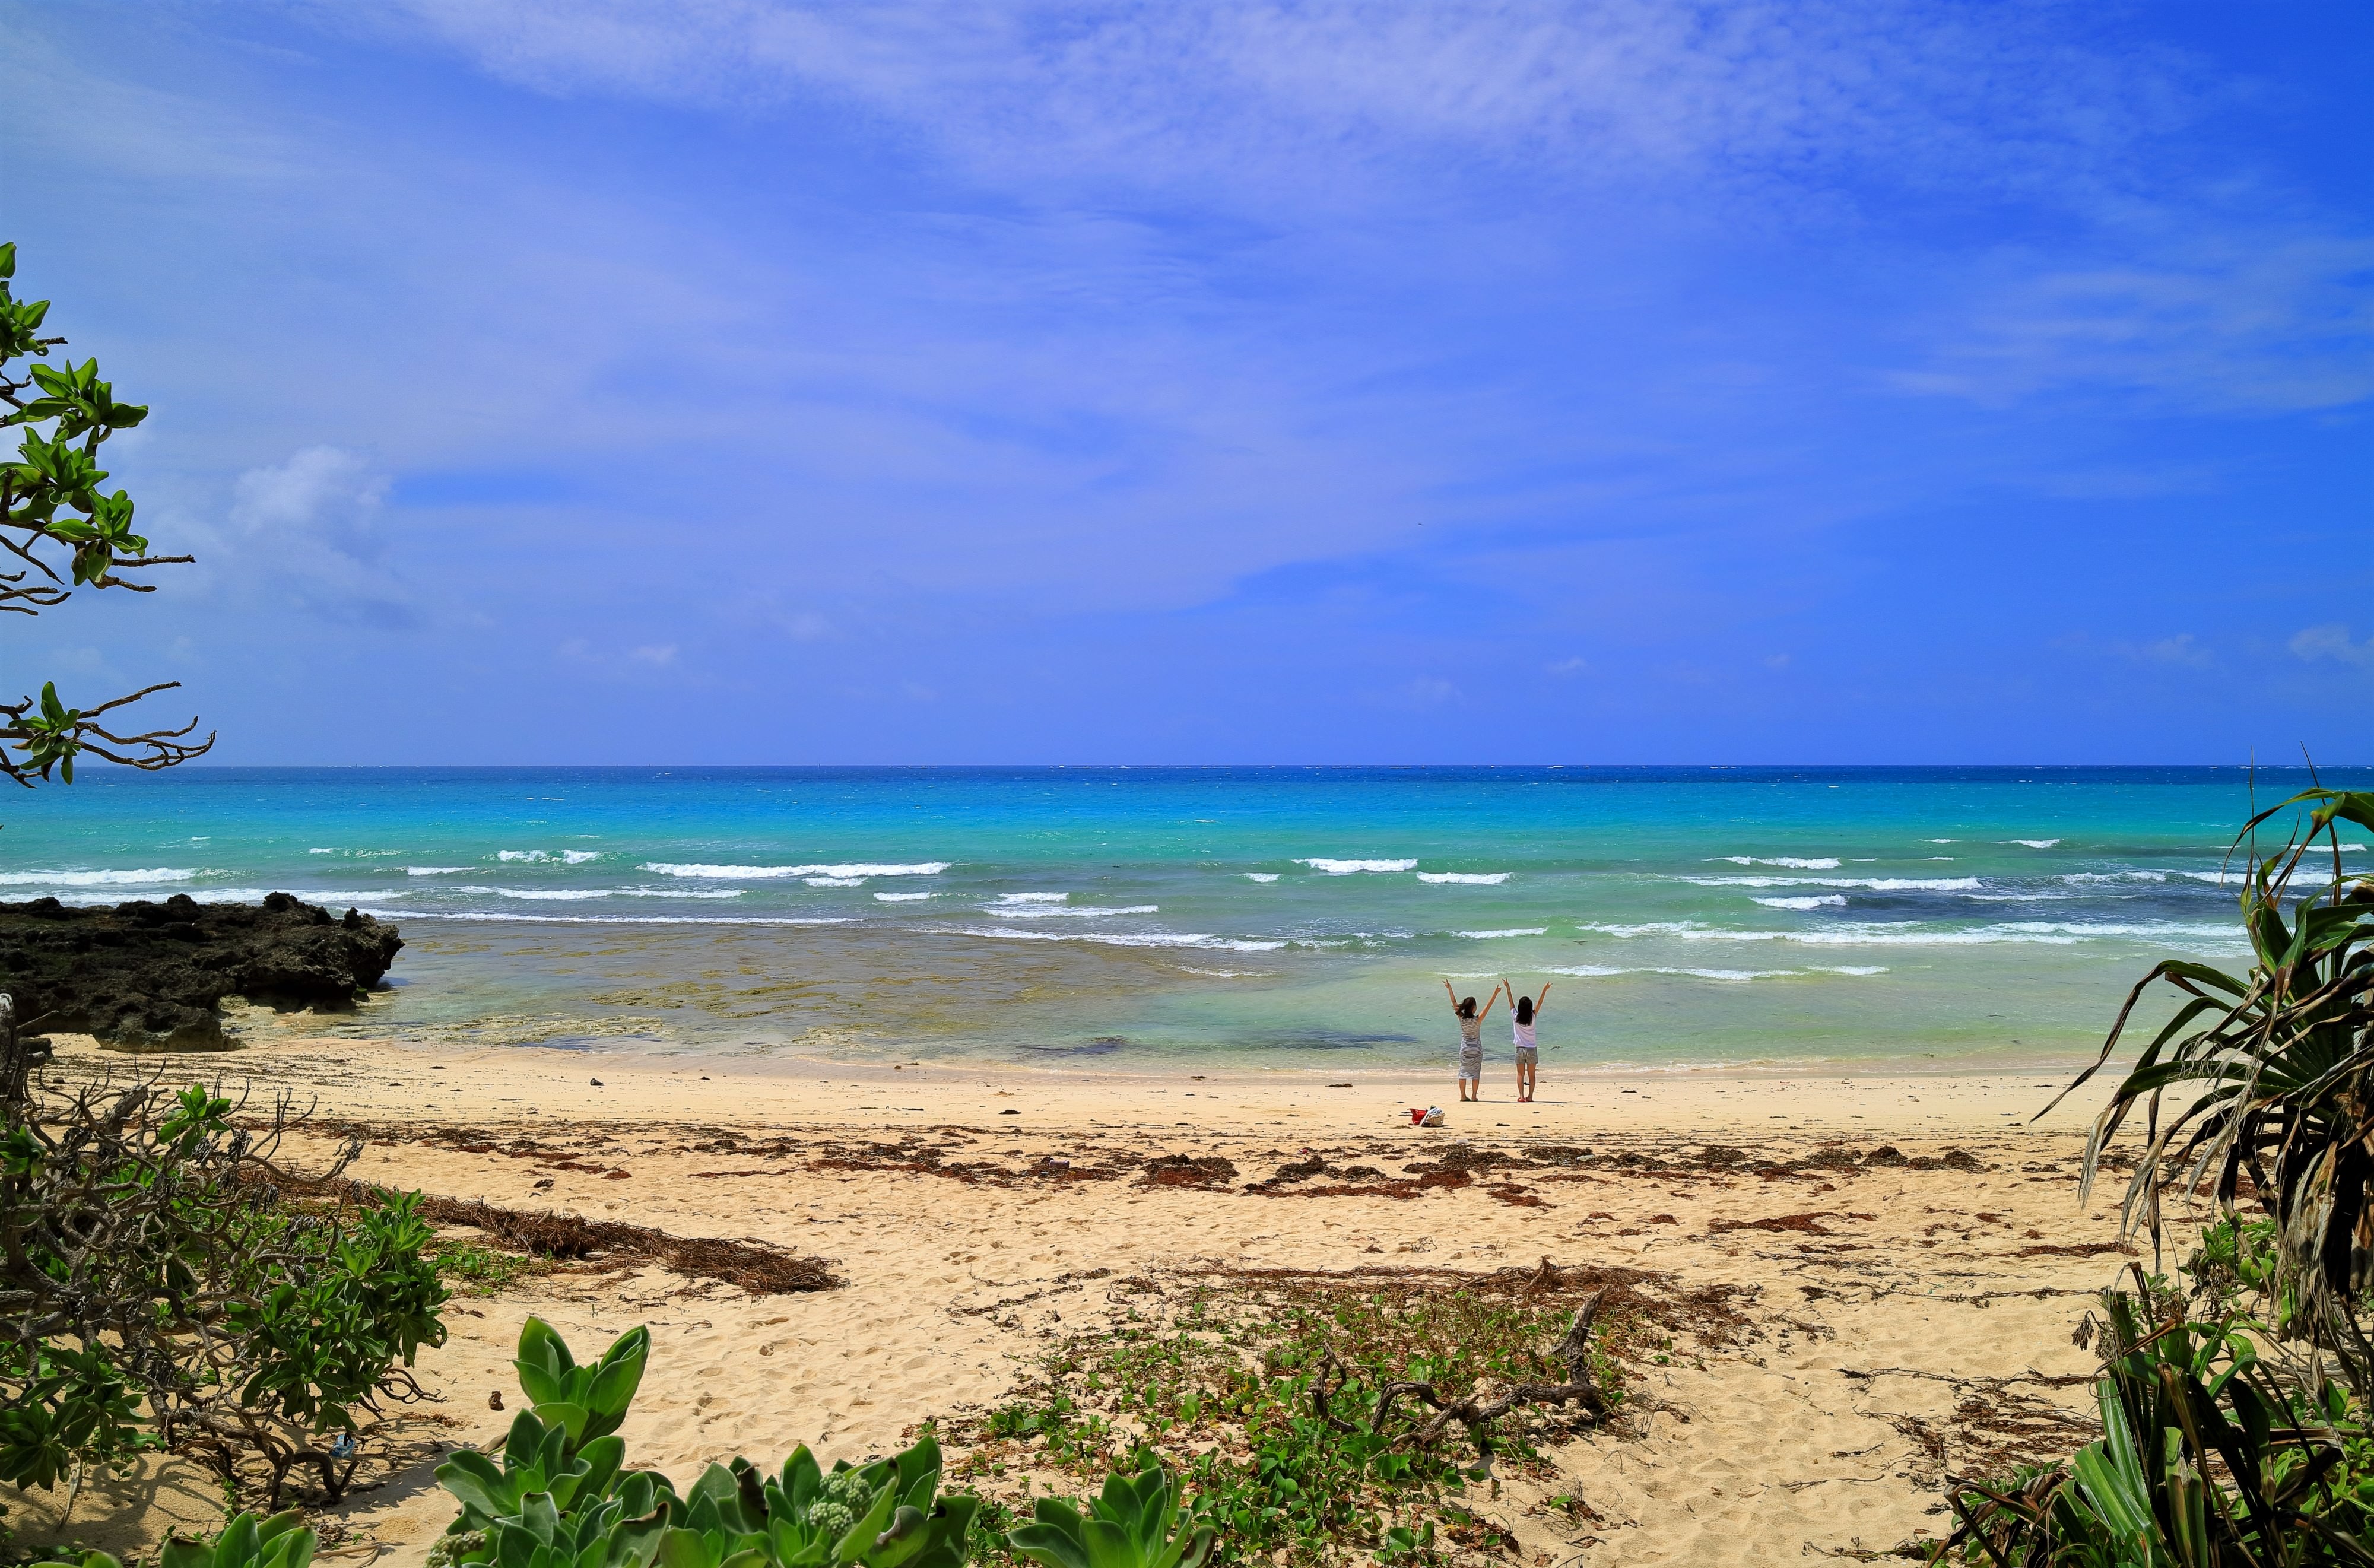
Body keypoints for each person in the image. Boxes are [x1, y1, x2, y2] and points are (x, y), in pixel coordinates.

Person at [1442, 980, 1502, 1102]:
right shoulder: (1478, 1020)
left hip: (1465, 1049)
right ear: (1474, 1008)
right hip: (1476, 1049)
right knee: (1475, 1074)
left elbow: (1454, 1002)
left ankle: (1463, 1096)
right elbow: (1488, 1006)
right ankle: (1474, 1096)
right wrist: (1495, 993)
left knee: (1462, 1073)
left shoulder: (1461, 1018)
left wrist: (1450, 989)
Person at [1503, 977, 1551, 1102]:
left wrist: (1508, 988)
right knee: (1532, 1075)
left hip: (1520, 1049)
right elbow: (1540, 1003)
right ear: (1530, 1008)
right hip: (1531, 1049)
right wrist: (1545, 989)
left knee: (1520, 1074)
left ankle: (1521, 1096)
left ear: (1520, 1007)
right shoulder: (1533, 1016)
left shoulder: (1516, 1017)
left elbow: (1511, 1002)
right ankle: (1530, 1096)